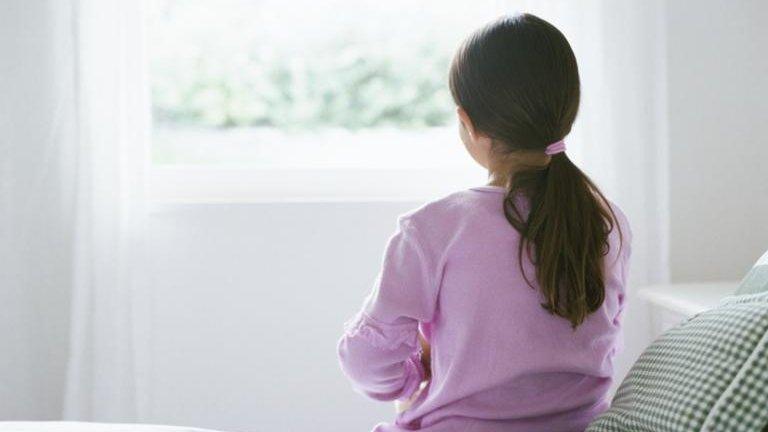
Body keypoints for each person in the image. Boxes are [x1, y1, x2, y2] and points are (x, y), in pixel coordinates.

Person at [338, 13, 632, 432]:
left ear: (468, 122)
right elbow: (602, 339)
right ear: (565, 114)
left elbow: (368, 363)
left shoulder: (433, 229)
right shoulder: (607, 222)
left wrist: (413, 377)